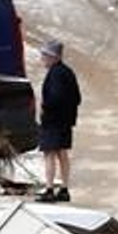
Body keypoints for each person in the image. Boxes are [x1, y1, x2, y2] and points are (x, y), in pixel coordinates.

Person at [35, 39, 81, 203]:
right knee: (62, 153)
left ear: (53, 57)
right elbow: (77, 98)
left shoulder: (55, 74)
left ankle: (49, 189)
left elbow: (55, 98)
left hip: (53, 121)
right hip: (65, 121)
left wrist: (44, 107)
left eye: (44, 56)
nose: (42, 59)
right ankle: (64, 189)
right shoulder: (68, 72)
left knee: (49, 154)